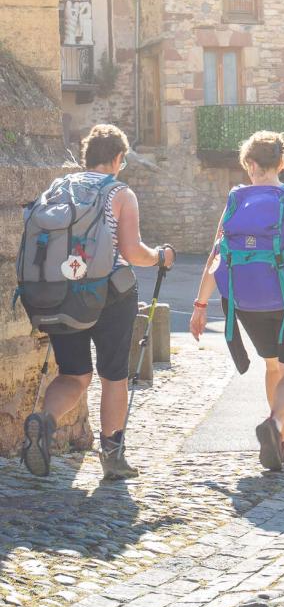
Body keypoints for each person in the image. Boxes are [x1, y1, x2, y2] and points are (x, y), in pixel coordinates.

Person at [21, 124, 175, 480]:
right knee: (113, 377)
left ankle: (43, 423)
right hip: (110, 295)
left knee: (73, 374)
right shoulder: (119, 192)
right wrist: (160, 256)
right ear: (119, 159)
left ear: (87, 155)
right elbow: (132, 252)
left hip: (60, 293)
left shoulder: (60, 187)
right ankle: (113, 457)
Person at [190, 131, 284, 472]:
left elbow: (217, 255)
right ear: (283, 163)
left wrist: (200, 304)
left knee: (272, 366)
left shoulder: (236, 199)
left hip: (247, 302)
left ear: (249, 164)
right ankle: (274, 424)